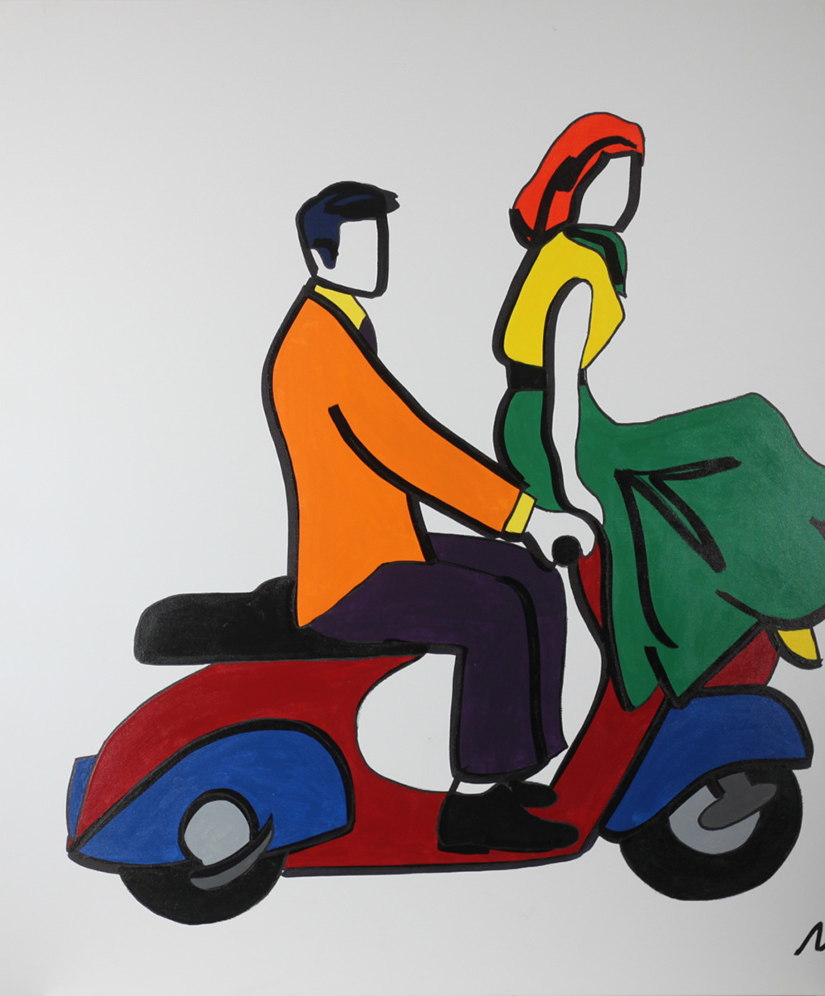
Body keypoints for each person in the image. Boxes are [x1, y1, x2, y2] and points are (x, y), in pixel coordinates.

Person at [262, 180, 594, 854]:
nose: (378, 255)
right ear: (322, 257)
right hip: (353, 579)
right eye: (363, 244)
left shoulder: (342, 326)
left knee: (528, 575)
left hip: (388, 545)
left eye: (380, 239)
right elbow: (409, 447)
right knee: (494, 612)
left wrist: (523, 527)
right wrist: (526, 514)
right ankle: (471, 808)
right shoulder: (319, 344)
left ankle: (513, 770)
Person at [493, 114, 825, 709]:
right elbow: (559, 387)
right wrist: (571, 486)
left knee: (737, 433)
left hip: (572, 417)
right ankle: (784, 595)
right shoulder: (575, 269)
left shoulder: (582, 252)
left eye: (630, 178)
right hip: (552, 429)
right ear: (576, 185)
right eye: (607, 178)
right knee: (742, 431)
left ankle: (782, 591)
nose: (621, 195)